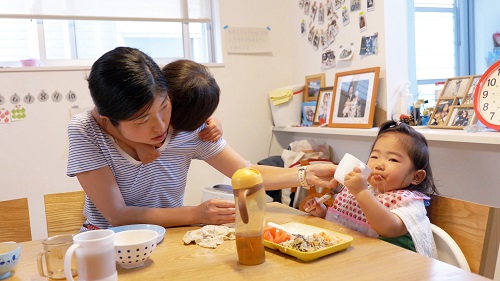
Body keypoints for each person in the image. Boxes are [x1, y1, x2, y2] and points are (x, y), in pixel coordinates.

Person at [67, 47, 337, 231]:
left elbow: (247, 173)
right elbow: (117, 215)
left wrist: (305, 174)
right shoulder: (86, 130)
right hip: (110, 240)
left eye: (163, 107)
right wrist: (196, 214)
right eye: (141, 120)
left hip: (170, 235)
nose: (160, 126)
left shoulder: (188, 126)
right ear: (108, 118)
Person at [304, 120, 439, 258]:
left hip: (395, 264)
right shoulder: (365, 189)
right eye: (374, 156)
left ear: (416, 176)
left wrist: (361, 192)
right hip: (358, 257)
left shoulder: (410, 202)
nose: (379, 164)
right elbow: (347, 225)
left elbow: (389, 228)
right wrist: (323, 213)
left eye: (392, 160)